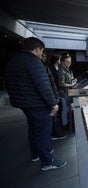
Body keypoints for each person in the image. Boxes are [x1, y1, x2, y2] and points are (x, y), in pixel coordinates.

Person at [5, 37, 66, 171]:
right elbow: (43, 85)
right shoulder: (33, 62)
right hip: (37, 104)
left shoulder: (14, 61)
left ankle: (35, 154)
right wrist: (53, 103)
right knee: (43, 133)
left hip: (26, 104)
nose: (41, 53)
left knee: (33, 130)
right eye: (41, 50)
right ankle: (47, 162)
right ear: (37, 48)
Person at [43, 54, 67, 140]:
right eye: (60, 59)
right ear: (56, 60)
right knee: (53, 114)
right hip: (54, 92)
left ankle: (57, 131)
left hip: (58, 92)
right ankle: (53, 133)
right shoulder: (50, 68)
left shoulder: (59, 68)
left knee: (59, 112)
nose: (60, 60)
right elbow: (51, 82)